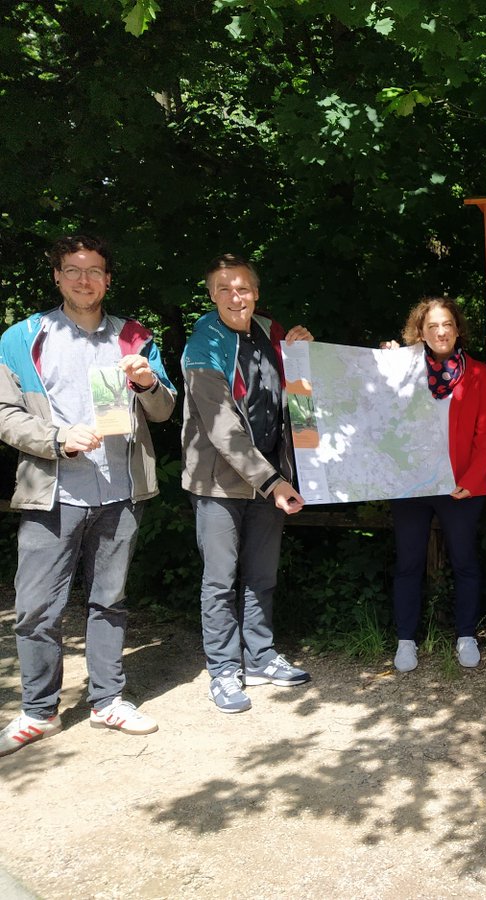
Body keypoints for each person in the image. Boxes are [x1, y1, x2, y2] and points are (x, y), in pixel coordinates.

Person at [0, 235, 176, 756]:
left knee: (111, 601)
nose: (84, 279)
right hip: (50, 493)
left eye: (94, 270)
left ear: (107, 279)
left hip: (121, 492)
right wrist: (56, 440)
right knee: (35, 608)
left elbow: (165, 411)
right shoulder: (22, 337)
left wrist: (148, 384)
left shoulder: (136, 337)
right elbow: (5, 415)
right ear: (56, 275)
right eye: (73, 270)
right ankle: (38, 712)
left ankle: (108, 702)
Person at [181, 254, 313, 714]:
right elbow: (222, 429)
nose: (235, 296)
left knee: (261, 575)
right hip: (219, 483)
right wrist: (273, 482)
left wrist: (303, 352)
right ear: (212, 295)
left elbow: (299, 397)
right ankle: (223, 671)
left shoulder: (270, 331)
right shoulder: (204, 343)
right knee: (220, 580)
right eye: (223, 289)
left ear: (256, 291)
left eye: (242, 288)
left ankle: (259, 657)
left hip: (271, 478)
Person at [386, 297, 486, 672]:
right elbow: (376, 416)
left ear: (457, 328)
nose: (441, 331)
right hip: (411, 486)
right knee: (409, 564)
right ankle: (405, 641)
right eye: (432, 326)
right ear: (420, 332)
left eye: (447, 324)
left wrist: (469, 480)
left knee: (465, 561)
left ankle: (466, 635)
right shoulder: (401, 372)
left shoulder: (478, 373)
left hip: (462, 487)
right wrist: (385, 362)